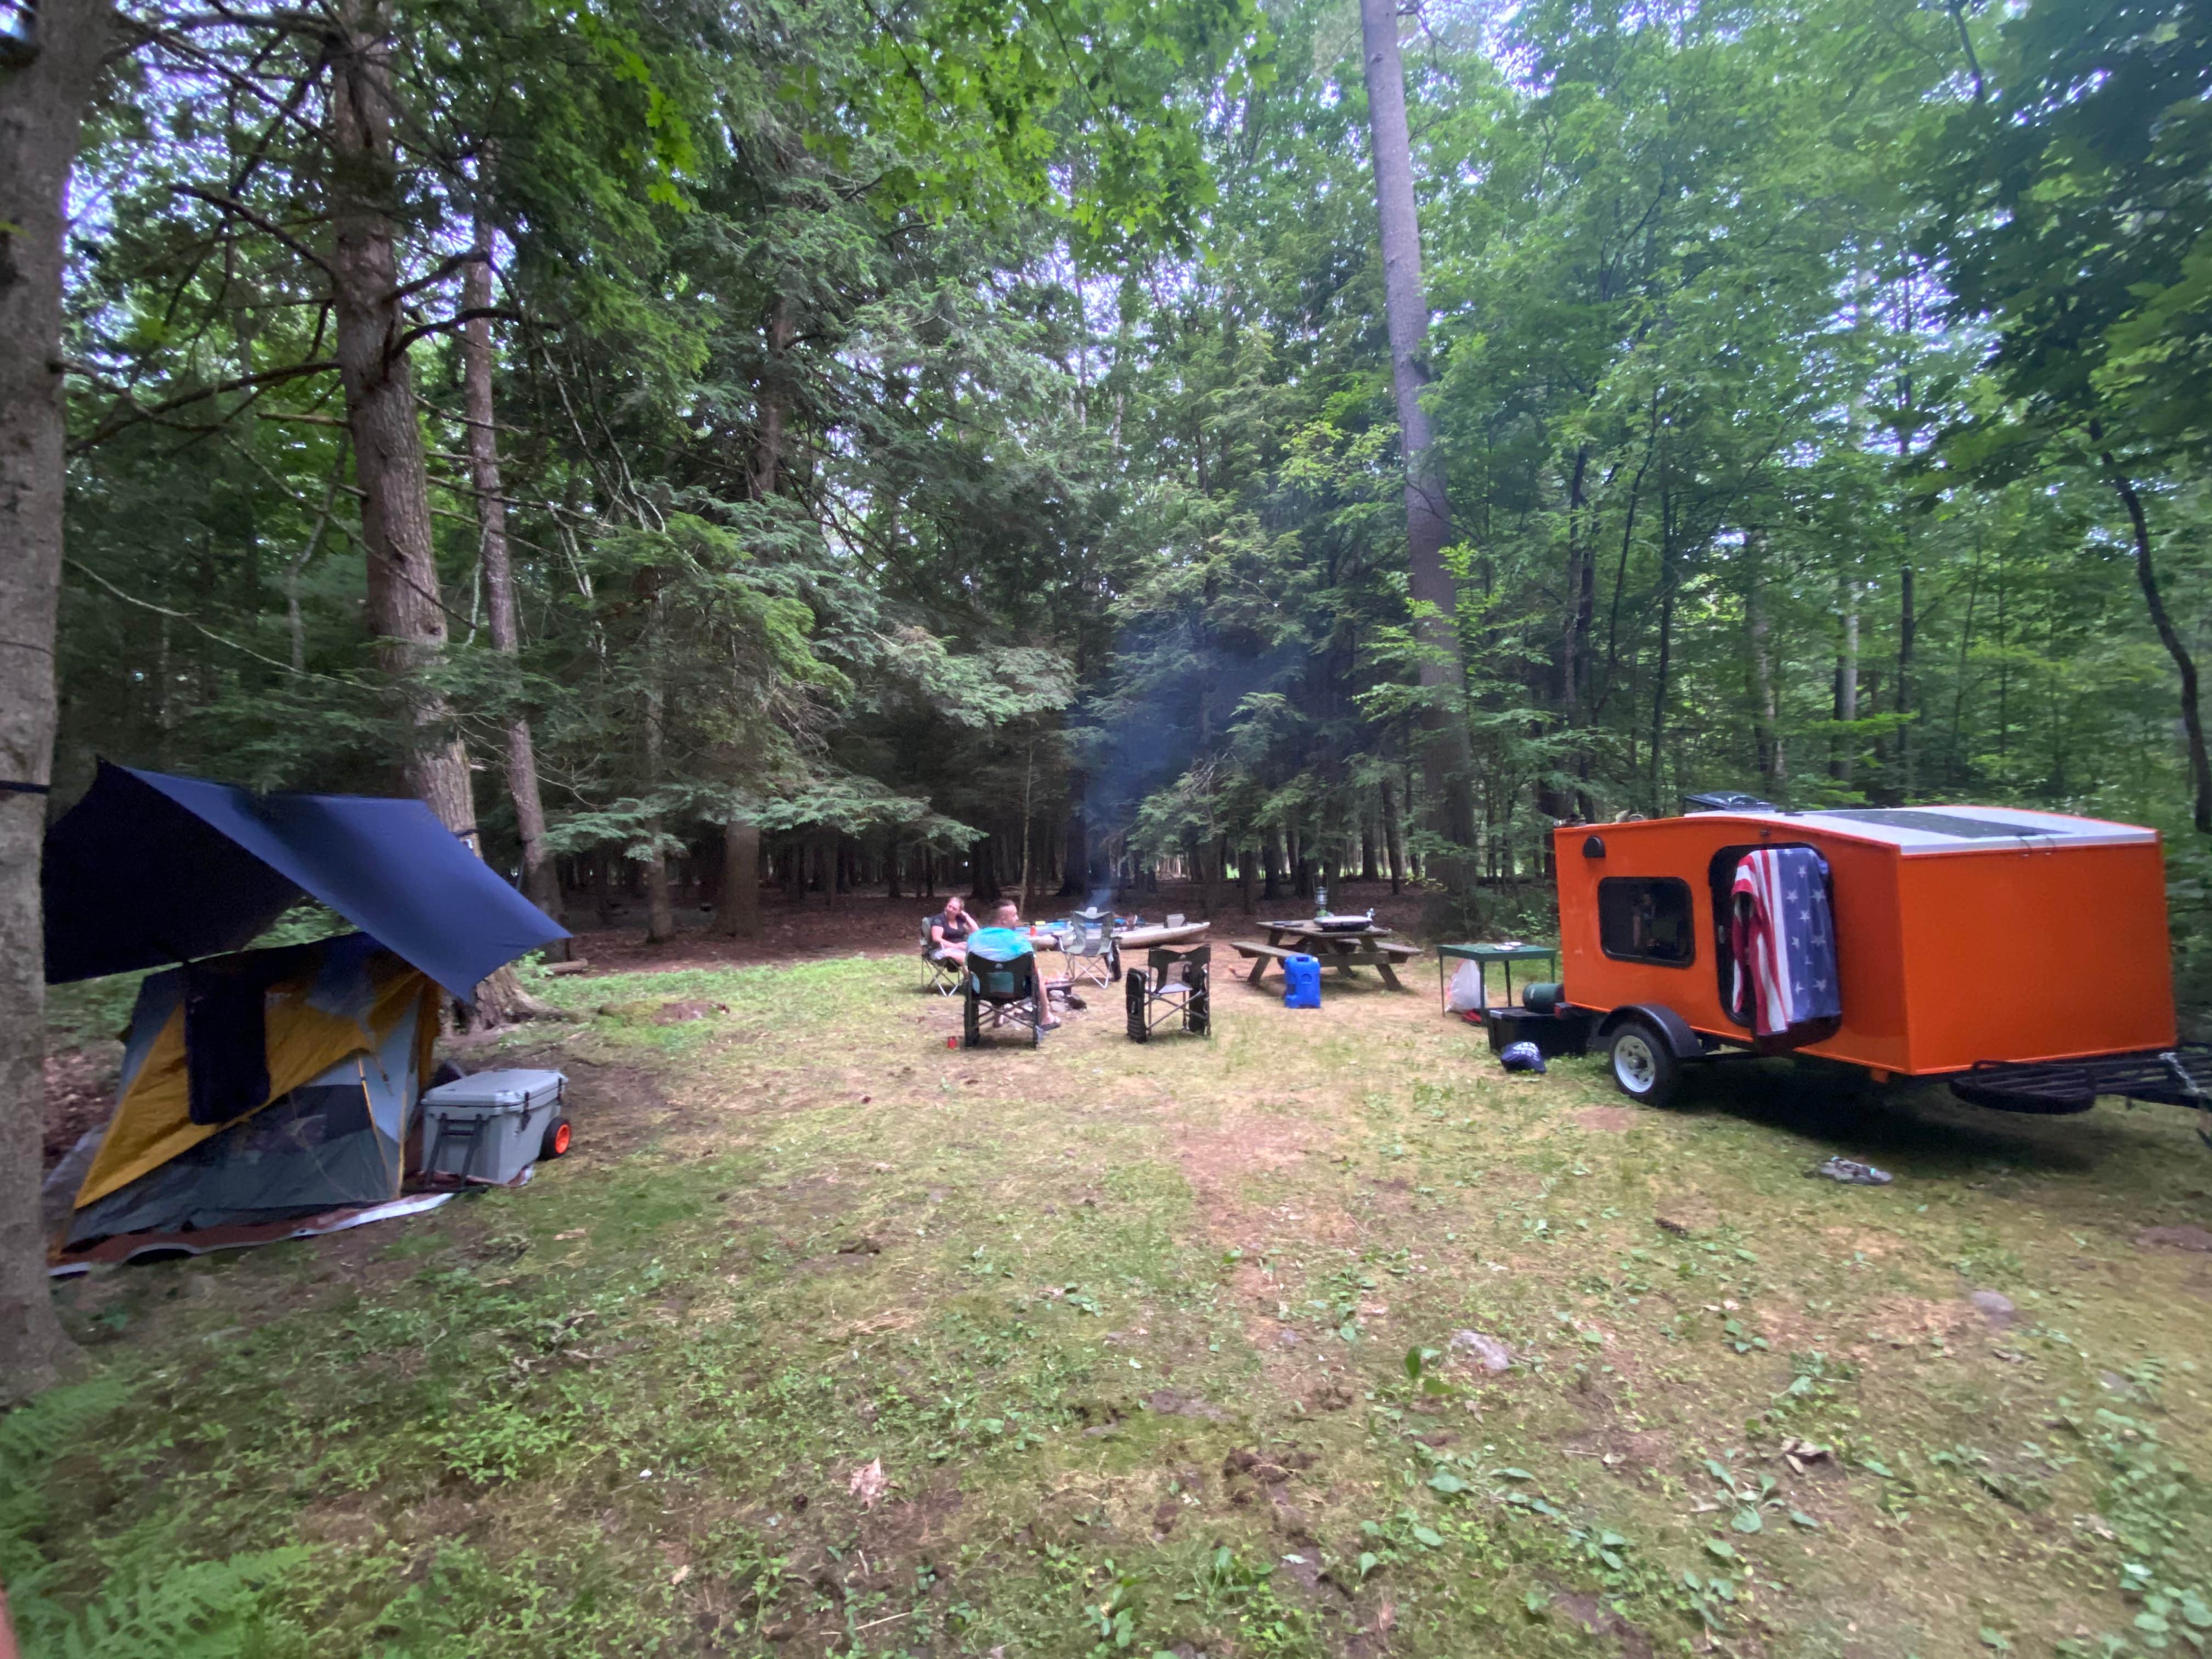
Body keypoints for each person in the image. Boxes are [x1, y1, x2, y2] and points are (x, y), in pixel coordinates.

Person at [926, 894, 977, 965]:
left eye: (954, 909)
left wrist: (966, 916)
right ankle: (970, 975)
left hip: (959, 951)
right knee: (967, 960)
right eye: (949, 906)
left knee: (974, 958)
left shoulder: (960, 920)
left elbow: (976, 931)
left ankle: (970, 975)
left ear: (959, 911)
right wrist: (956, 946)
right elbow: (937, 939)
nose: (950, 910)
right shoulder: (939, 920)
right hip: (941, 951)